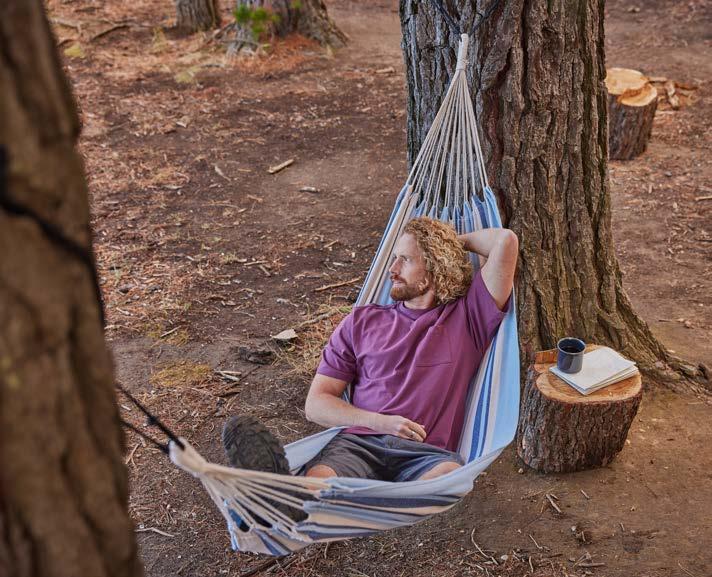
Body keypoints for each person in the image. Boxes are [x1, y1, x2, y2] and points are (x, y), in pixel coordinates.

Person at [222, 217, 518, 488]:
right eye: (394, 258)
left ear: (434, 268)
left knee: (448, 478)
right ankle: (278, 495)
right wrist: (382, 422)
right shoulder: (362, 321)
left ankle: (292, 496)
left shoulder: (467, 318)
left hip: (425, 454)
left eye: (405, 259)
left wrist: (447, 244)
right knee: (318, 483)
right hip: (359, 445)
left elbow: (505, 242)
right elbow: (316, 404)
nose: (393, 269)